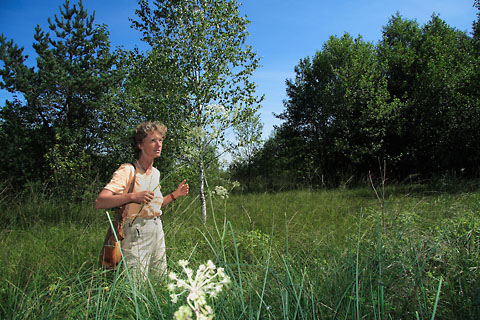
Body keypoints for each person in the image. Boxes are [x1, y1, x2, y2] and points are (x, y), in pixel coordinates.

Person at [95, 121, 189, 279]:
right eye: (153, 140)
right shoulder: (128, 170)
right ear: (140, 144)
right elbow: (100, 201)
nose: (158, 144)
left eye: (160, 140)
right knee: (137, 283)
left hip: (157, 228)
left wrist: (175, 195)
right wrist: (132, 197)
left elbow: (154, 206)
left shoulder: (155, 173)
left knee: (159, 278)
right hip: (136, 231)